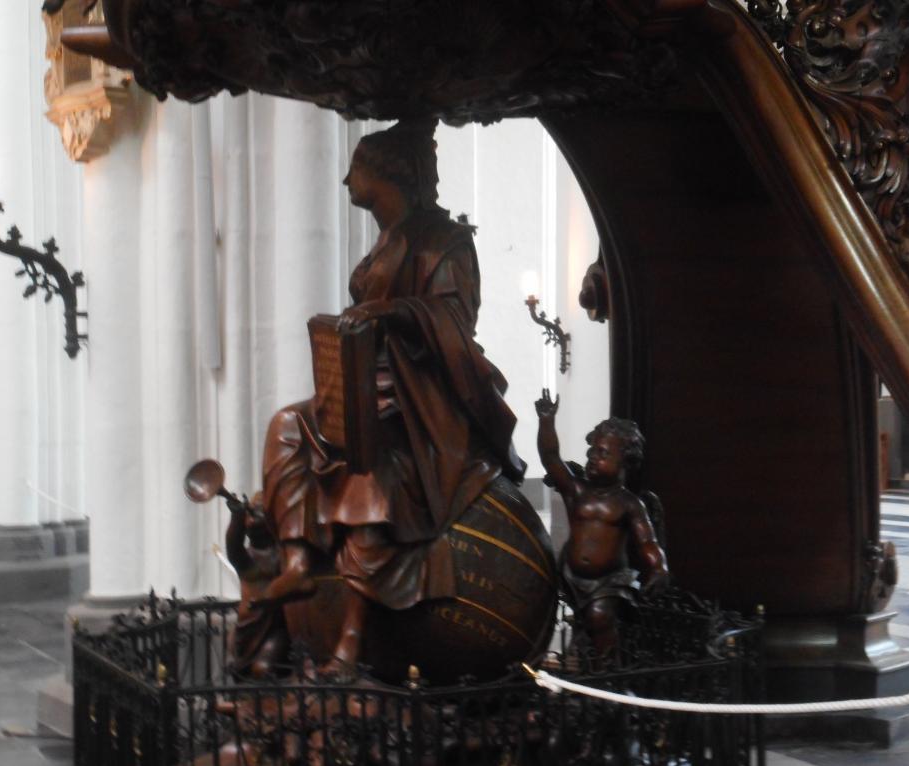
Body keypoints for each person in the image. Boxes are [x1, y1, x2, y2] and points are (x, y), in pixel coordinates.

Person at [259, 119, 525, 675]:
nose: (345, 181)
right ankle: (297, 561)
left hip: (423, 400)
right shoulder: (386, 240)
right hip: (367, 387)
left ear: (388, 173)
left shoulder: (445, 241)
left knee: (372, 464)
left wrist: (390, 312)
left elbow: (454, 321)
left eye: (355, 168)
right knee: (286, 425)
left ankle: (352, 642)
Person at [535, 390, 669, 654]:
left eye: (603, 453)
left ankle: (608, 669)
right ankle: (583, 659)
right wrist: (547, 422)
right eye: (591, 452)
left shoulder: (629, 503)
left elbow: (647, 542)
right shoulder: (577, 491)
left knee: (600, 618)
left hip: (608, 582)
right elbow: (551, 458)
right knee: (575, 621)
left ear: (625, 462)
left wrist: (658, 567)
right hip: (571, 576)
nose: (593, 458)